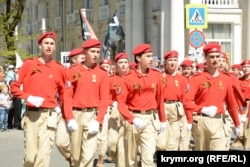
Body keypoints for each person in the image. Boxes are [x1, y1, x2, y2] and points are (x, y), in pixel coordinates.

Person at [10, 31, 76, 167]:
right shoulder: (29, 64)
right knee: (30, 158)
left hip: (49, 117)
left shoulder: (59, 68)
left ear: (55, 47)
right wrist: (29, 97)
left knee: (43, 158)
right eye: (46, 43)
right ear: (40, 45)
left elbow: (65, 95)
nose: (49, 46)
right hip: (31, 116)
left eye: (52, 44)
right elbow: (14, 88)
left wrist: (69, 118)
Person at [183, 42, 241, 150]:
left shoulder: (226, 79)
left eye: (218, 56)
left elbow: (231, 104)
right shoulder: (196, 79)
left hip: (220, 122)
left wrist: (237, 123)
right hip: (202, 121)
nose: (215, 60)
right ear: (205, 58)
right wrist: (203, 109)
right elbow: (186, 102)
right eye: (212, 57)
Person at [117, 43, 166, 167]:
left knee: (148, 158)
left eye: (152, 56)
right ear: (138, 58)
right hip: (133, 119)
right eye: (148, 56)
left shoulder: (156, 76)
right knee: (131, 159)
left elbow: (160, 99)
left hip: (150, 119)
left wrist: (163, 120)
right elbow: (121, 104)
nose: (151, 59)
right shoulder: (127, 78)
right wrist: (132, 119)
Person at [65, 38, 109, 167]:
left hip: (92, 115)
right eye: (92, 51)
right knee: (76, 157)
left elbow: (104, 99)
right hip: (76, 114)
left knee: (88, 155)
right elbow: (67, 96)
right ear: (84, 53)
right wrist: (69, 117)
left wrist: (98, 120)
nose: (96, 54)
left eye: (97, 51)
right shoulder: (73, 71)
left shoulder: (102, 73)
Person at [55, 47, 85, 167]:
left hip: (81, 112)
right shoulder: (66, 72)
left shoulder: (89, 72)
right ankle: (71, 159)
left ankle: (77, 162)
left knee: (80, 144)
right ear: (73, 59)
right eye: (81, 58)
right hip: (65, 112)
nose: (85, 59)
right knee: (61, 142)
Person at [158, 50, 190, 151]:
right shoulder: (160, 77)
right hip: (163, 108)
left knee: (173, 141)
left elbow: (185, 99)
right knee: (161, 143)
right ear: (165, 62)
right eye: (170, 60)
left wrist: (189, 120)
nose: (172, 62)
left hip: (177, 109)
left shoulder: (182, 80)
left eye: (175, 60)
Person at [107, 52, 130, 167]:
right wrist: (113, 103)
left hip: (129, 110)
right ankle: (113, 153)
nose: (123, 65)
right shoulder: (111, 79)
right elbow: (105, 97)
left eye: (125, 62)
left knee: (123, 143)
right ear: (116, 65)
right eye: (121, 62)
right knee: (112, 142)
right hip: (115, 111)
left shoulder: (132, 78)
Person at [238, 60, 250, 149]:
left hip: (248, 108)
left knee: (247, 132)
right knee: (239, 132)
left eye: (248, 67)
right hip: (240, 107)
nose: (246, 68)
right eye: (244, 67)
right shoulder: (239, 80)